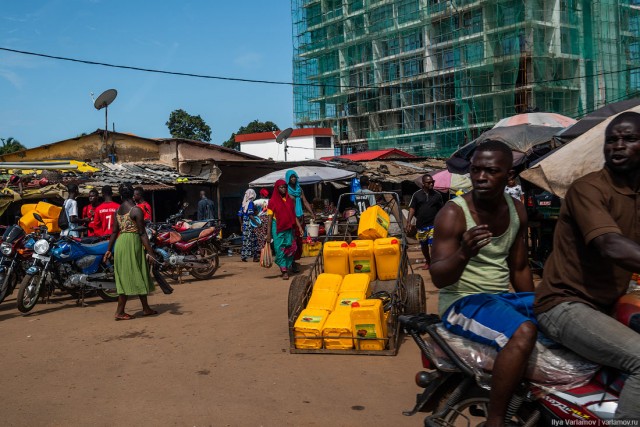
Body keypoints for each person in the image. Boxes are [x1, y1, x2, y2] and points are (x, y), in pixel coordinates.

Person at [534, 112, 640, 421]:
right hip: (565, 304)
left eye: (629, 139)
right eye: (612, 140)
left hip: (606, 303)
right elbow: (610, 245)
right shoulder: (588, 188)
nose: (618, 146)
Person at [430, 141, 536, 427]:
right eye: (476, 170)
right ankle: (496, 420)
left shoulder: (516, 210)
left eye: (491, 171)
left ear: (508, 175)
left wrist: (538, 305)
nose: (480, 177)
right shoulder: (453, 213)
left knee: (563, 314)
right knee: (524, 333)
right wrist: (464, 253)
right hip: (461, 302)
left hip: (499, 300)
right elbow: (438, 277)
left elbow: (520, 267)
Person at [103, 182, 158, 321]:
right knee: (131, 275)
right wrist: (151, 252)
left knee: (137, 273)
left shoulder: (118, 210)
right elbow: (142, 233)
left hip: (121, 244)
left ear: (121, 195)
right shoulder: (136, 210)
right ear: (133, 194)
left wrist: (108, 250)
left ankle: (146, 308)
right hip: (132, 243)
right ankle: (119, 312)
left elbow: (115, 231)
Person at [266, 179, 303, 280]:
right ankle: (284, 270)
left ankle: (288, 265)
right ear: (277, 188)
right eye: (281, 187)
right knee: (280, 250)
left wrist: (299, 227)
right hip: (277, 228)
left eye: (284, 187)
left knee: (291, 248)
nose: (283, 189)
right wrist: (268, 234)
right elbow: (269, 219)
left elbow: (293, 215)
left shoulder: (290, 200)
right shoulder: (272, 201)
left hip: (289, 228)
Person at [405, 174, 444, 270]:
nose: (431, 184)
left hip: (434, 224)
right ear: (423, 183)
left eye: (432, 182)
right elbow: (412, 209)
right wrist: (408, 222)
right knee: (424, 245)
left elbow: (442, 210)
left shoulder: (437, 195)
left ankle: (435, 262)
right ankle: (428, 261)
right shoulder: (417, 195)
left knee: (433, 244)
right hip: (421, 225)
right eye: (429, 182)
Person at [286, 170, 315, 273]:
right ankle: (292, 263)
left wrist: (312, 213)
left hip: (300, 217)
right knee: (292, 241)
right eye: (291, 177)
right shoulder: (286, 191)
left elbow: (305, 201)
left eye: (295, 177)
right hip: (291, 218)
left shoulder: (299, 189)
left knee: (299, 241)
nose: (293, 179)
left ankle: (294, 262)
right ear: (288, 178)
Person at [238, 189, 259, 262]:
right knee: (253, 239)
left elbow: (239, 216)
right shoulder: (250, 203)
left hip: (244, 223)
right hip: (250, 223)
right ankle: (255, 257)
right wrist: (257, 223)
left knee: (245, 240)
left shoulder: (244, 204)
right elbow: (250, 215)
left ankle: (244, 256)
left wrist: (242, 225)